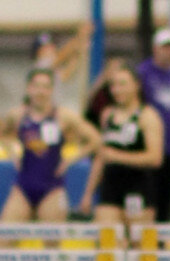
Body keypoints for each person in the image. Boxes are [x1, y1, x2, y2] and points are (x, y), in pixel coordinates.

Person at [0, 67, 101, 222]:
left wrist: (70, 160)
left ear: (51, 90)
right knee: (5, 236)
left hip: (52, 188)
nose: (40, 92)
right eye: (36, 87)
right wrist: (12, 152)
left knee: (52, 241)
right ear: (28, 89)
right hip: (23, 186)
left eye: (46, 87)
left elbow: (95, 140)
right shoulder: (18, 115)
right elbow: (3, 133)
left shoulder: (63, 116)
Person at [78, 61, 164, 228]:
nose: (117, 90)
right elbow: (101, 157)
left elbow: (155, 158)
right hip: (110, 188)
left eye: (122, 84)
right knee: (109, 244)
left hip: (139, 188)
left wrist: (117, 156)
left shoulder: (147, 116)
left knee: (140, 246)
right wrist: (88, 194)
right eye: (113, 85)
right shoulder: (107, 115)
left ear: (136, 85)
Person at [137, 27, 170, 222]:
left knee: (166, 203)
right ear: (155, 48)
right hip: (149, 148)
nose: (169, 52)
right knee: (148, 199)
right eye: (164, 47)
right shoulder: (142, 73)